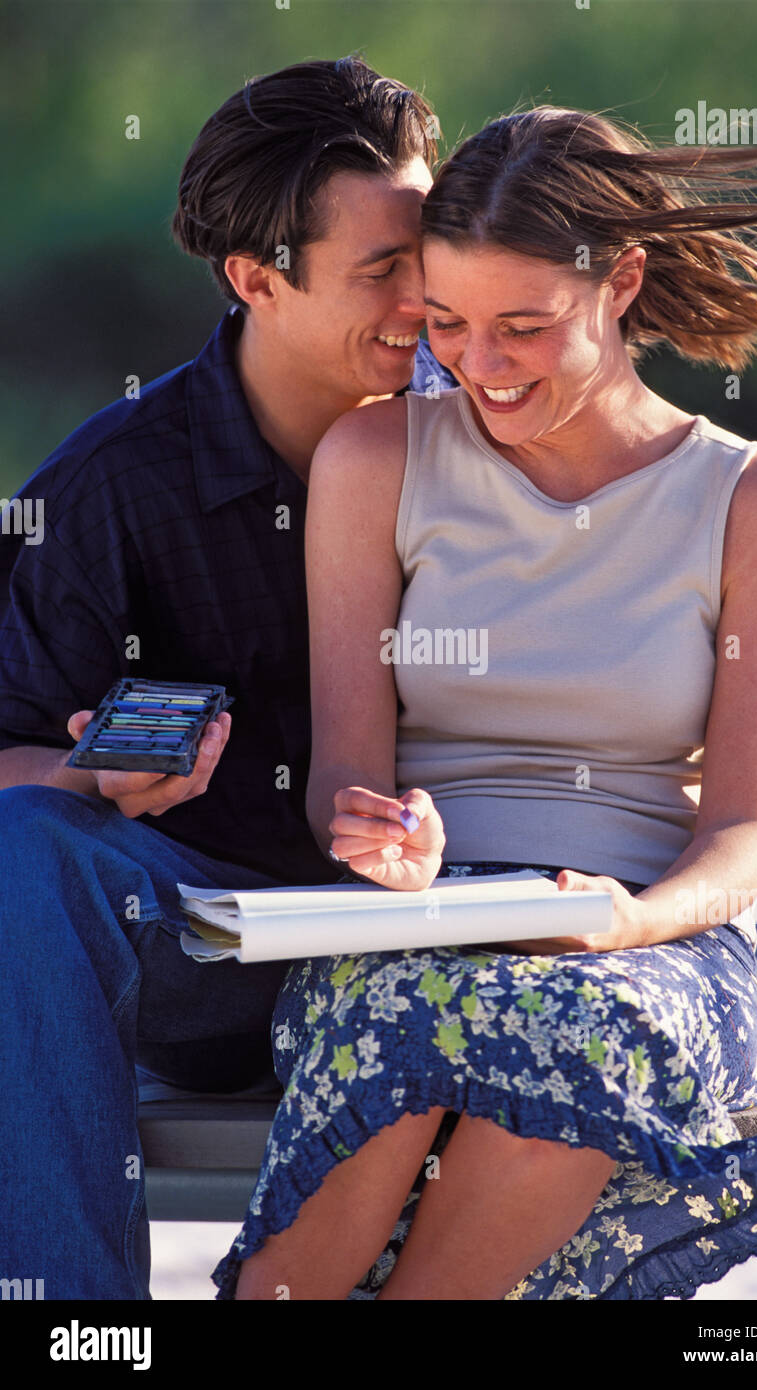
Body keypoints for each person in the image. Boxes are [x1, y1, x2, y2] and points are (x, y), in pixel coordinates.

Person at [215, 107, 757, 1301]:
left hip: (650, 940)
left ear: (619, 283)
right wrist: (382, 842)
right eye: (449, 325)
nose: (481, 364)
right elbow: (339, 781)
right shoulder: (375, 463)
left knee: (578, 1033)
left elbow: (741, 837)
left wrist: (621, 920)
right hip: (415, 929)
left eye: (524, 326)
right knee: (407, 1020)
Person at [0, 57, 457, 1300]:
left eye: (435, 248)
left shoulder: (504, 419)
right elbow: (9, 752)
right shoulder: (108, 487)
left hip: (480, 928)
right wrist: (88, 776)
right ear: (257, 280)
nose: (430, 297)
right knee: (30, 840)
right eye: (383, 271)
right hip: (221, 957)